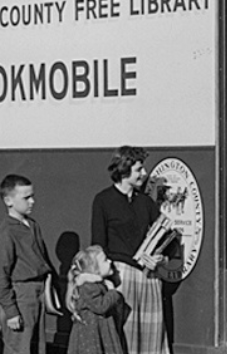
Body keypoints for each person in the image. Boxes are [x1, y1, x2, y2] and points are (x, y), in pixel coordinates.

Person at [89, 146, 169, 354]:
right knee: (125, 337)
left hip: (149, 278)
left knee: (152, 340)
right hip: (121, 277)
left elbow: (162, 237)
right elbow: (98, 244)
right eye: (139, 169)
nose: (144, 173)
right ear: (124, 171)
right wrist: (105, 280)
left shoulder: (146, 202)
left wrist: (158, 258)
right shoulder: (103, 200)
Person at [0, 174, 55, 354]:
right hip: (21, 296)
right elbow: (0, 275)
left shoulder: (33, 225)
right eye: (26, 198)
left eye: (32, 196)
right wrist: (11, 311)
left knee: (38, 346)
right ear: (8, 200)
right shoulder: (6, 232)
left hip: (38, 293)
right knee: (19, 348)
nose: (32, 201)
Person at [66, 245, 126, 354]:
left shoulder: (96, 284)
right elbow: (100, 306)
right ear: (95, 269)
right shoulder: (88, 286)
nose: (109, 261)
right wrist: (113, 292)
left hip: (99, 330)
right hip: (91, 334)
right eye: (105, 260)